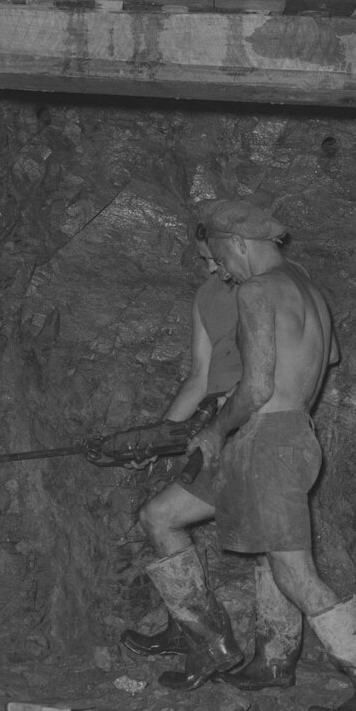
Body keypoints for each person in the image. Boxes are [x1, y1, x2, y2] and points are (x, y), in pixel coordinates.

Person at [137, 199, 356, 711]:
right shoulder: (303, 283)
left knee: (296, 574)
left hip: (269, 441)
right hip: (283, 435)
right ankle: (213, 640)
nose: (221, 270)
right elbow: (324, 359)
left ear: (236, 243)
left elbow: (257, 386)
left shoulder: (258, 291)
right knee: (163, 515)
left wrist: (215, 425)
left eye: (219, 255)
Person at [119, 232, 242, 660]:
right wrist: (155, 439)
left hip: (247, 424)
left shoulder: (269, 288)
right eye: (205, 260)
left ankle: (206, 641)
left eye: (215, 258)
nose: (211, 268)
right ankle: (195, 633)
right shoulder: (208, 294)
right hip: (218, 425)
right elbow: (200, 376)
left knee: (160, 517)